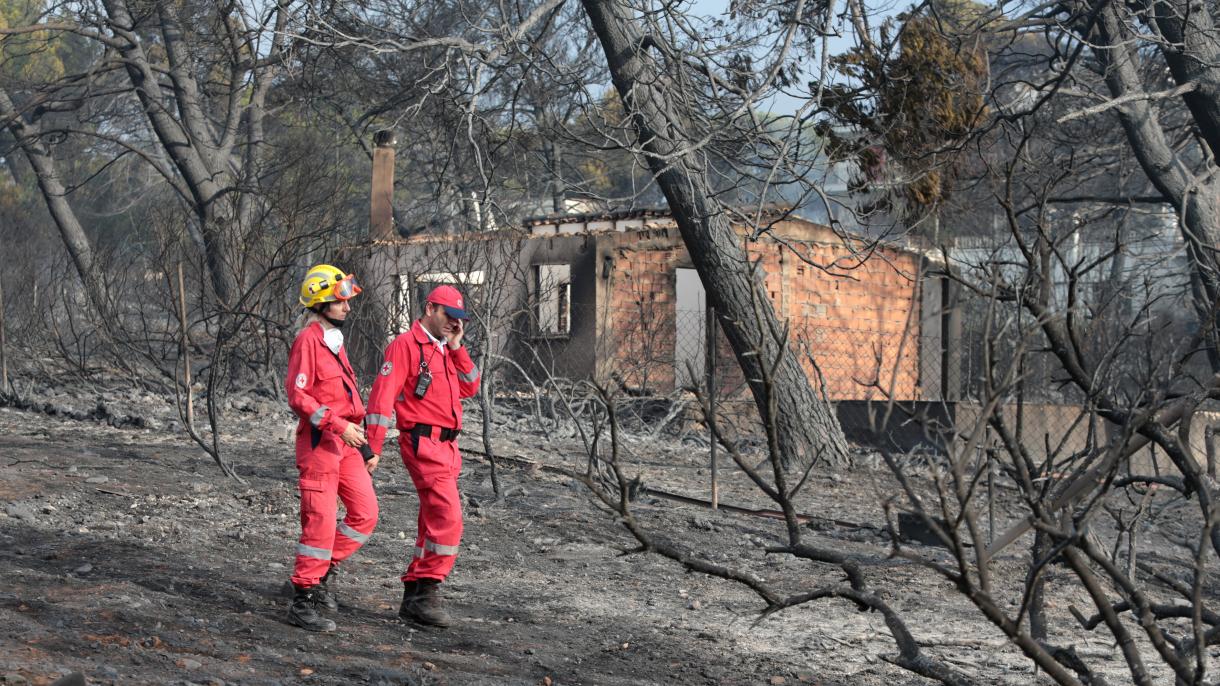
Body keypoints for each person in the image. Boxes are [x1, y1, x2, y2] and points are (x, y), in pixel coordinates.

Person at [366, 284, 480, 628]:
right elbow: (382, 399)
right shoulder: (405, 346)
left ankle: (414, 595)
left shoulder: (444, 348)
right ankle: (425, 591)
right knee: (448, 519)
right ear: (430, 309)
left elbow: (470, 385)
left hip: (448, 448)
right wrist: (372, 446)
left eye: (459, 319)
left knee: (433, 521)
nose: (453, 324)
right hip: (424, 444)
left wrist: (458, 347)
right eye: (449, 316)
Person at [284, 264, 380, 632]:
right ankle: (303, 598)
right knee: (320, 523)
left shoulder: (334, 343)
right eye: (341, 301)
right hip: (320, 445)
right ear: (321, 301)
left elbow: (349, 397)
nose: (348, 308)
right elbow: (298, 396)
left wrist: (366, 447)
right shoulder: (308, 340)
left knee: (365, 513)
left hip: (347, 445)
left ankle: (322, 571)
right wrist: (339, 426)